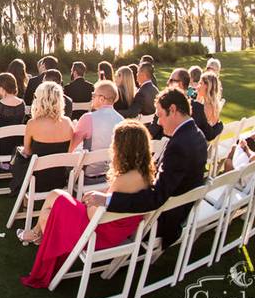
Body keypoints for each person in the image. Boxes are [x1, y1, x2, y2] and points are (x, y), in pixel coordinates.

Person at [19, 121, 154, 287]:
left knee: (54, 202)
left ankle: (38, 235)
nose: (112, 145)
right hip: (113, 228)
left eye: (115, 142)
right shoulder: (145, 175)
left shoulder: (123, 179)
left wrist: (91, 202)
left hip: (99, 233)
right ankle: (37, 234)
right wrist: (101, 196)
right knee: (54, 202)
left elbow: (94, 215)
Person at [84, 87, 208, 247]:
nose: (159, 122)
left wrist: (108, 200)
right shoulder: (197, 135)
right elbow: (171, 176)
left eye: (160, 115)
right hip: (179, 210)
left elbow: (156, 197)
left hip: (161, 221)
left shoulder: (180, 145)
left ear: (173, 110)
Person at [11, 82, 74, 195]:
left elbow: (28, 151)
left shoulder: (32, 124)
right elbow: (69, 152)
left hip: (36, 180)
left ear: (39, 100)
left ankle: (23, 199)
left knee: (17, 153)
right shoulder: (68, 122)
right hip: (60, 180)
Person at [72, 81, 124, 179]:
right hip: (111, 175)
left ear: (101, 99)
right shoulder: (121, 120)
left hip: (87, 176)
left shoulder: (88, 118)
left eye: (93, 95)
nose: (92, 97)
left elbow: (71, 147)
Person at [194, 71, 224, 142]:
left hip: (198, 144)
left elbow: (194, 128)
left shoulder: (206, 108)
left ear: (207, 86)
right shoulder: (213, 104)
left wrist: (196, 102)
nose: (197, 86)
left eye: (200, 83)